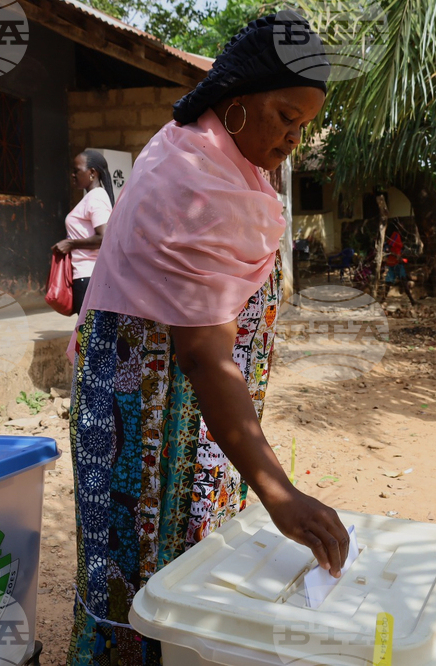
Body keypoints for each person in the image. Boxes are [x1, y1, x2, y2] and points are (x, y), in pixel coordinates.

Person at [66, 14, 348, 665]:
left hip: (201, 412)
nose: (291, 136)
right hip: (146, 407)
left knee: (192, 574)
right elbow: (200, 350)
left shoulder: (222, 159)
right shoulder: (191, 180)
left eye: (301, 124)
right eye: (283, 114)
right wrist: (280, 492)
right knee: (139, 580)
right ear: (235, 98)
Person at [52, 150, 115, 314]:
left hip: (89, 277)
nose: (72, 175)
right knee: (89, 334)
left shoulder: (96, 197)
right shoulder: (91, 197)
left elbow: (104, 238)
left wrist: (71, 244)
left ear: (92, 172)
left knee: (88, 334)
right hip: (87, 276)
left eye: (76, 171)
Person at [384, 230, 416, 305]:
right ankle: (412, 300)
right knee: (402, 282)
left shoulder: (397, 239)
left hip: (393, 263)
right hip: (395, 263)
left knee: (389, 282)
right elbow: (389, 248)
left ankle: (384, 298)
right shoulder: (395, 235)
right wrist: (397, 256)